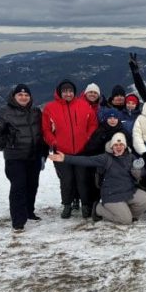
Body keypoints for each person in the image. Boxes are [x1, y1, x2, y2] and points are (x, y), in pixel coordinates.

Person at [48, 132, 146, 225]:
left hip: (128, 192)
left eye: (121, 145)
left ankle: (127, 214)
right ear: (112, 146)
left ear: (125, 146)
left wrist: (138, 172)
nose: (118, 147)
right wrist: (65, 158)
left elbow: (142, 172)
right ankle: (98, 209)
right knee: (126, 221)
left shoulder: (131, 157)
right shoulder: (105, 158)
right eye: (116, 145)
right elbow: (86, 160)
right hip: (112, 195)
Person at [0, 83, 49, 232]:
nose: (23, 97)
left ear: (30, 97)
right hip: (15, 157)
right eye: (20, 95)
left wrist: (44, 151)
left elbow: (42, 131)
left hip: (34, 155)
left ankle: (29, 211)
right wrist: (3, 143)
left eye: (26, 95)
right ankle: (18, 220)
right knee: (18, 187)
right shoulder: (4, 112)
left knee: (32, 185)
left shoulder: (35, 112)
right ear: (14, 96)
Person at [42, 79, 98, 219]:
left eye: (70, 91)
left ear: (74, 92)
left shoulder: (84, 105)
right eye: (65, 91)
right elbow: (46, 129)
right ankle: (67, 205)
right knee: (66, 180)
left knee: (82, 179)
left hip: (81, 150)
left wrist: (87, 137)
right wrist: (53, 141)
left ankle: (85, 205)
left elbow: (93, 124)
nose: (68, 94)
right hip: (61, 150)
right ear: (60, 92)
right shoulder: (50, 108)